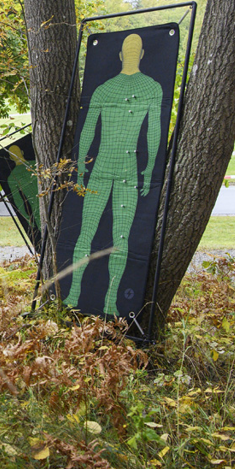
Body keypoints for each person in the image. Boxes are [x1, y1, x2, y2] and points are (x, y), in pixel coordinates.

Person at [64, 33, 162, 315]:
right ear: (141, 55)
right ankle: (107, 301)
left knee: (88, 232)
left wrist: (81, 169)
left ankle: (75, 294)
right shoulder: (151, 88)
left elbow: (87, 133)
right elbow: (152, 132)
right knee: (121, 236)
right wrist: (148, 168)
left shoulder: (104, 90)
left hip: (103, 167)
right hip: (127, 170)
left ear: (121, 56)